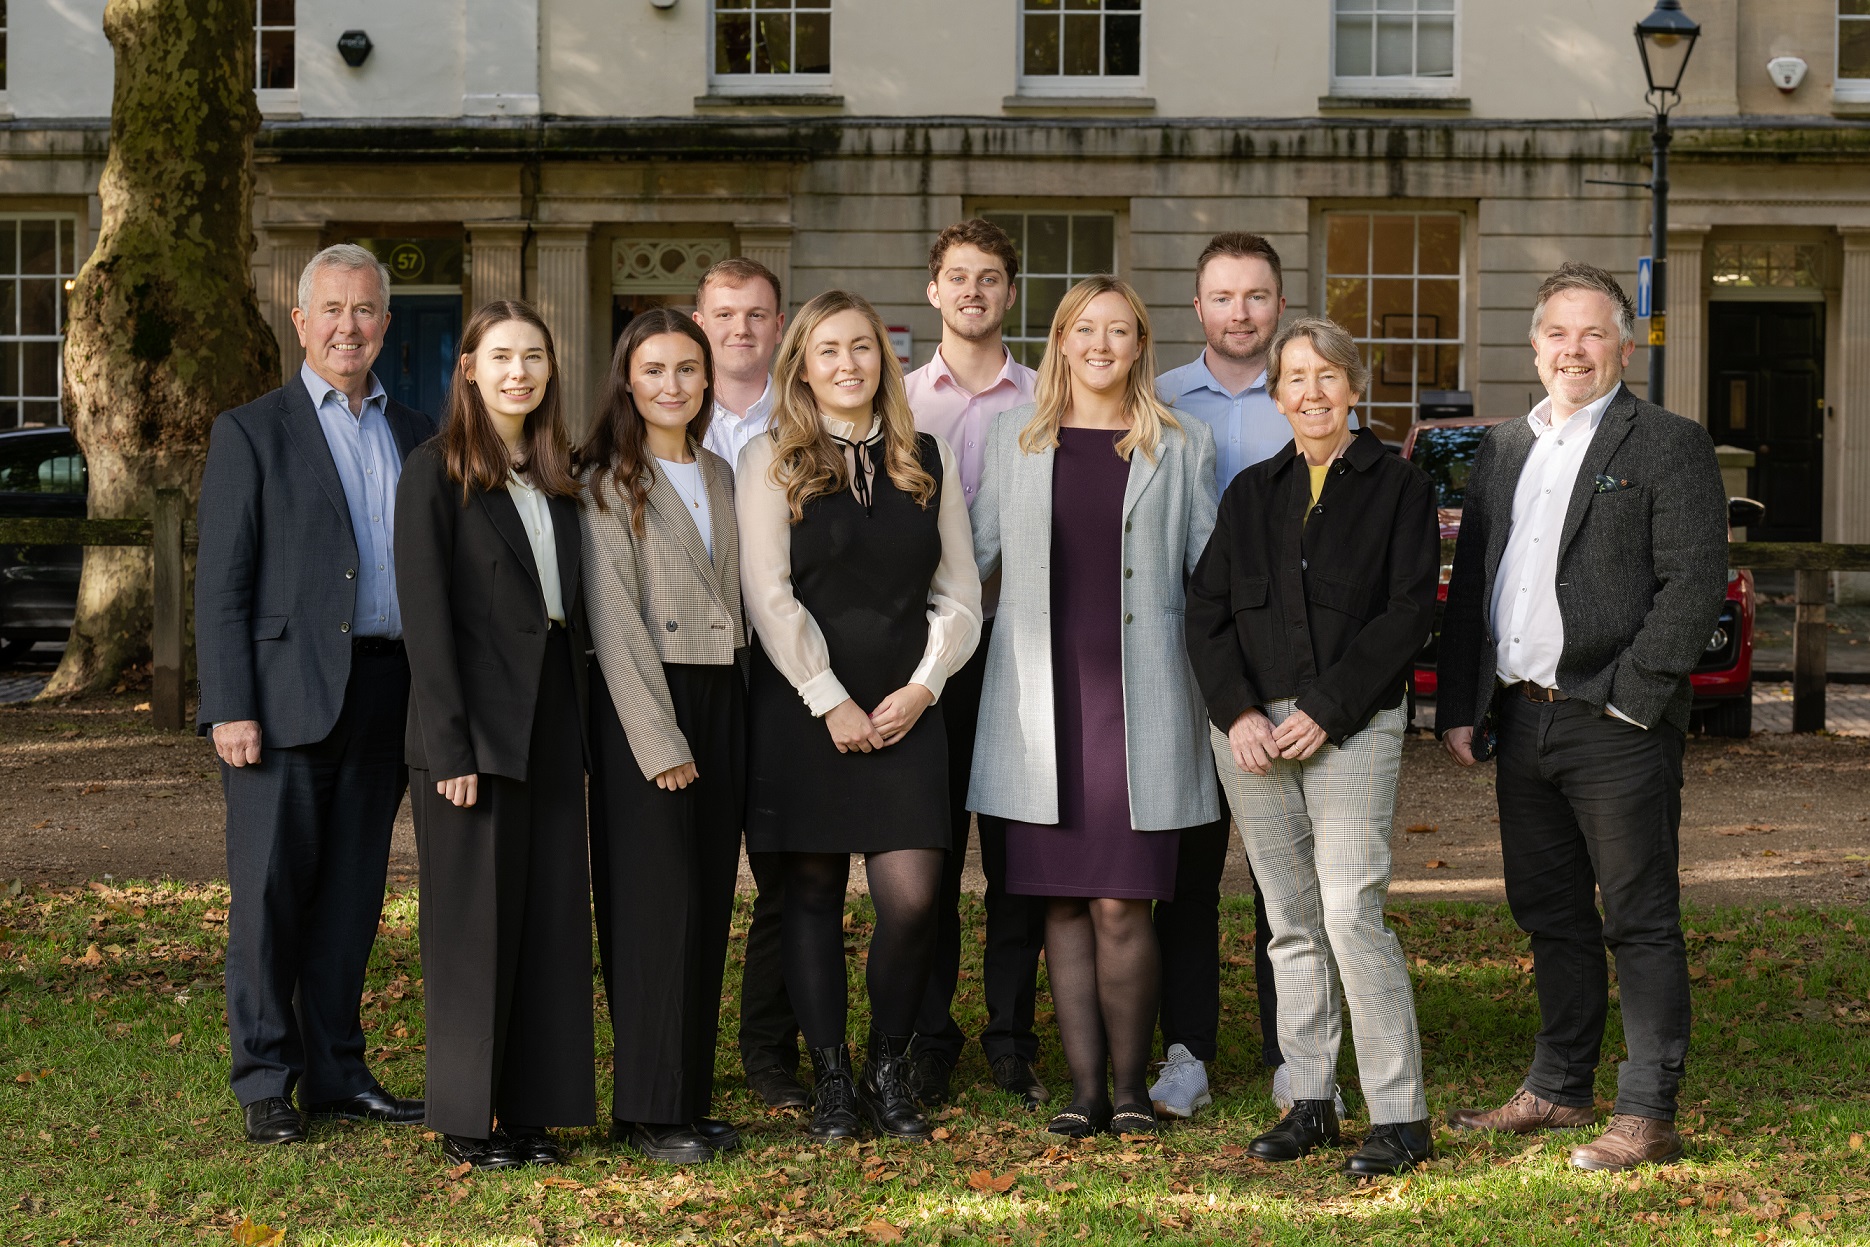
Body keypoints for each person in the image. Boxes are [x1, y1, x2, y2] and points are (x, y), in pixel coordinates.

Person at [1436, 263, 1729, 1172]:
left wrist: (1636, 696)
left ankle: (1648, 1111)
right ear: (1534, 346)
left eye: (1593, 332)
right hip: (1523, 718)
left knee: (1638, 916)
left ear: (1625, 344)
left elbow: (1694, 585)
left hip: (1616, 718)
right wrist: (1460, 703)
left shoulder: (1667, 444)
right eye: (1557, 333)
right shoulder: (1503, 448)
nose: (1574, 349)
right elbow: (1475, 581)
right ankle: (1560, 1086)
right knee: (1549, 911)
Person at [1186, 316, 1440, 1177]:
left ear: (1354, 388)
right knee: (1289, 922)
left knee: (1346, 911)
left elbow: (1409, 611)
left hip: (1354, 724)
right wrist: (1239, 713)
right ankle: (1312, 1100)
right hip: (1254, 735)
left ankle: (1401, 1116)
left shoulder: (1399, 488)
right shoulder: (1252, 492)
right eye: (1295, 377)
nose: (1312, 392)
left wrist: (1328, 708)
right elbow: (1206, 616)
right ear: (1277, 391)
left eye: (1328, 375)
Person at [969, 276, 1219, 1139]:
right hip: (1042, 707)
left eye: (1120, 330)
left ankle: (1126, 1086)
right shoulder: (1016, 437)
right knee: (1062, 903)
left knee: (1122, 902)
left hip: (1141, 704)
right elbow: (969, 562)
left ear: (1140, 345)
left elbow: (1211, 576)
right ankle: (1081, 1091)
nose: (1102, 344)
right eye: (1086, 329)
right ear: (1063, 342)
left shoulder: (1183, 444)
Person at [196, 243, 432, 1146]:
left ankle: (336, 1069)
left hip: (386, 693)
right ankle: (265, 1078)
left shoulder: (417, 433)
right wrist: (229, 704)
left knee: (351, 896)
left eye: (366, 309)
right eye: (331, 309)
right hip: (282, 697)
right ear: (301, 322)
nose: (349, 326)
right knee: (268, 895)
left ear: (384, 322)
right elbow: (222, 581)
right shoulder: (252, 430)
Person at [738, 289, 982, 1143]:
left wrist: (924, 686)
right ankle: (833, 1077)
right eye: (829, 350)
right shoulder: (768, 457)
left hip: (908, 706)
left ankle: (887, 1065)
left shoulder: (929, 456)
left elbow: (960, 594)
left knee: (914, 898)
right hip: (803, 707)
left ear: (884, 357)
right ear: (801, 364)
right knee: (805, 897)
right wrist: (828, 698)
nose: (848, 364)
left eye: (864, 348)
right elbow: (768, 597)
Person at [394, 300, 596, 1170]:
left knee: (550, 917)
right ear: (469, 367)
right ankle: (470, 1121)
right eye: (502, 356)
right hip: (471, 725)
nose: (521, 371)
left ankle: (534, 1112)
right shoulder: (433, 470)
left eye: (536, 357)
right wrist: (451, 748)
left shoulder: (559, 474)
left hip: (555, 711)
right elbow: (426, 621)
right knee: (475, 927)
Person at [580, 309, 747, 1165]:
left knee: (706, 907)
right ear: (628, 381)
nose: (673, 385)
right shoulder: (607, 481)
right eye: (654, 371)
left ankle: (684, 1095)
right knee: (652, 909)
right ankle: (647, 1109)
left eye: (688, 369)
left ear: (708, 380)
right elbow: (614, 621)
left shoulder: (722, 473)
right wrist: (658, 738)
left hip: (729, 695)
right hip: (651, 702)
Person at [900, 219, 1049, 1111]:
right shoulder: (900, 401)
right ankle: (927, 1036)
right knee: (931, 856)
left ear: (1009, 292)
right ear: (934, 290)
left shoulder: (1046, 400)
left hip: (1020, 648)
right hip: (927, 659)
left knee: (1019, 857)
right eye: (958, 276)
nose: (973, 292)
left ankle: (1011, 1034)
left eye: (990, 278)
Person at [1150, 231, 1293, 1122]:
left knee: (1288, 881)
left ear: (1280, 303)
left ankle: (1295, 1052)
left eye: (1257, 296)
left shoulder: (1312, 393)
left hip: (1285, 666)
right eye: (1224, 297)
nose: (1241, 312)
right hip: (1185, 659)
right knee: (1187, 873)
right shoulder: (1157, 400)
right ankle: (1188, 1049)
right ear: (1196, 308)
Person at [693, 257, 809, 1112]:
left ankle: (770, 1050)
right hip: (689, 675)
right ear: (701, 321)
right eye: (725, 313)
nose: (741, 328)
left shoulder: (806, 424)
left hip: (781, 679)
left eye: (758, 314)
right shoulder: (659, 415)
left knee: (788, 872)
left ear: (779, 326)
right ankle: (681, 1044)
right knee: (689, 871)